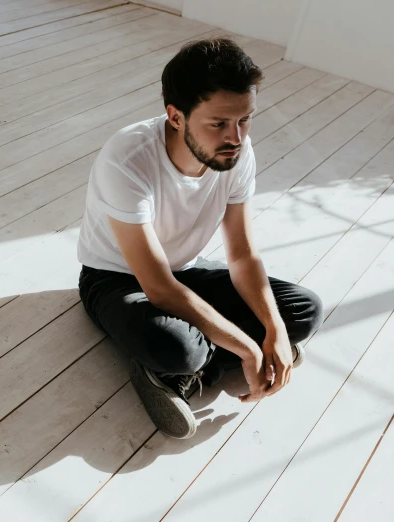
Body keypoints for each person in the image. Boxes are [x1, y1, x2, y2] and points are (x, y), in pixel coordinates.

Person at [76, 37, 323, 439]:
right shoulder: (127, 158)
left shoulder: (236, 152)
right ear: (176, 116)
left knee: (303, 311)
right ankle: (181, 366)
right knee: (178, 347)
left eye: (245, 119)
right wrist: (248, 345)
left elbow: (242, 256)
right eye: (219, 123)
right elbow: (157, 286)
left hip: (187, 271)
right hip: (117, 279)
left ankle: (187, 372)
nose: (236, 137)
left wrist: (274, 328)